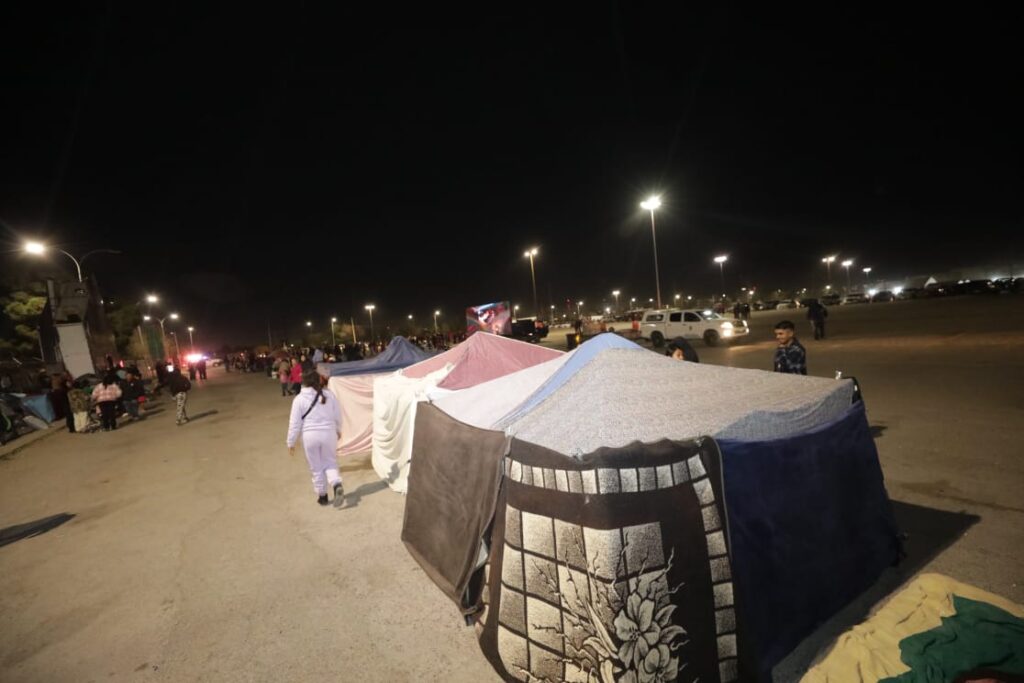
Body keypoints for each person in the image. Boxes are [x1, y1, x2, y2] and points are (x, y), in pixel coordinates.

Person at [287, 370, 344, 507]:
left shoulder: (299, 399)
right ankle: (336, 484)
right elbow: (337, 414)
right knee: (330, 462)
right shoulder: (329, 395)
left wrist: (291, 442)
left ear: (303, 382)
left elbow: (295, 424)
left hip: (310, 436)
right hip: (329, 433)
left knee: (316, 467)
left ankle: (322, 496)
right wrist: (338, 430)